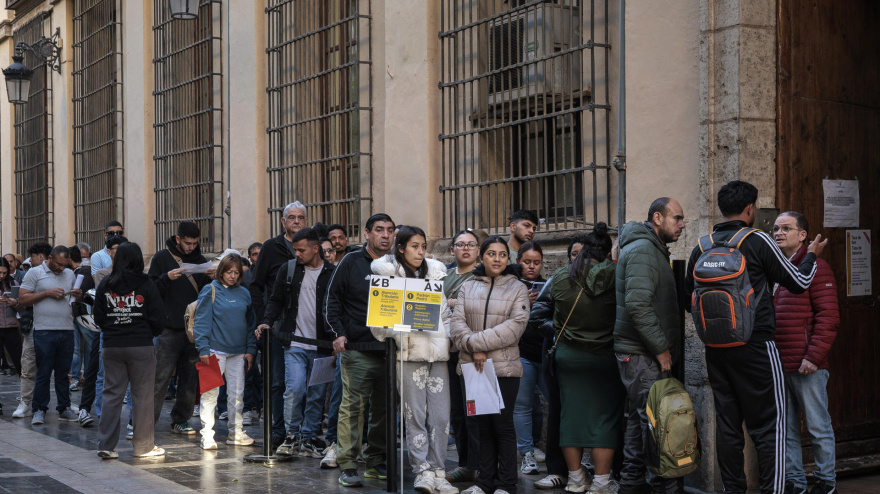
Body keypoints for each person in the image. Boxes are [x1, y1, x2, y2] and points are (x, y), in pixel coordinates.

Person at [685, 181, 825, 494]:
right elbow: (799, 282)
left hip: (716, 350)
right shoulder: (757, 240)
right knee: (769, 427)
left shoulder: (702, 246)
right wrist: (811, 255)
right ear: (750, 209)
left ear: (722, 208)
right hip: (757, 347)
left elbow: (688, 300)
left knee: (728, 425)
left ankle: (733, 490)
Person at [369, 226, 458, 494]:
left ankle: (439, 470)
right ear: (400, 248)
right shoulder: (386, 276)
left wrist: (450, 337)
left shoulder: (434, 274)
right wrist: (402, 330)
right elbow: (378, 326)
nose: (421, 252)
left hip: (438, 355)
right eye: (415, 246)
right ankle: (422, 471)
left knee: (441, 417)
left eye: (423, 247)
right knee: (414, 415)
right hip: (408, 355)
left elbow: (445, 314)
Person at [614, 197, 686, 494]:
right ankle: (661, 487)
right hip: (642, 353)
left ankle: (631, 482)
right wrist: (660, 348)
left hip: (638, 351)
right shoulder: (644, 249)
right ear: (658, 218)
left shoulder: (649, 248)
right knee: (656, 422)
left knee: (639, 418)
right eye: (677, 218)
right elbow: (637, 304)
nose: (682, 225)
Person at [450, 236, 530, 494]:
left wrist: (477, 345)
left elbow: (515, 327)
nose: (497, 259)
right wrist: (475, 348)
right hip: (473, 367)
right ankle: (484, 483)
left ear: (508, 259)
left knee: (502, 425)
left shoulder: (517, 288)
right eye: (492, 254)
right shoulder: (468, 286)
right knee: (480, 426)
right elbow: (456, 323)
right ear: (481, 256)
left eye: (502, 255)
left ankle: (506, 484)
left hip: (503, 367)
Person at [548, 223, 623, 493]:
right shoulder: (617, 275)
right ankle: (602, 482)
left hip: (569, 357)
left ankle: (577, 478)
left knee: (571, 416)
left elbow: (552, 314)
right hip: (604, 358)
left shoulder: (560, 276)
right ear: (606, 252)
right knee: (606, 418)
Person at [770, 212, 839, 494]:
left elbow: (828, 317)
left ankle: (825, 482)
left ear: (802, 236)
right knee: (786, 430)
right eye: (775, 228)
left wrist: (813, 356)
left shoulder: (817, 268)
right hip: (778, 364)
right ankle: (795, 482)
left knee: (818, 427)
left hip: (807, 364)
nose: (778, 233)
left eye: (786, 228)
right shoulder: (775, 269)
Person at [325, 213, 395, 487]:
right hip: (357, 352)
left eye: (390, 230)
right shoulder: (351, 262)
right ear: (367, 233)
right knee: (352, 409)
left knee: (384, 412)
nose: (386, 235)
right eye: (379, 230)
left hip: (392, 354)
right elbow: (332, 301)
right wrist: (339, 334)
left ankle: (376, 461)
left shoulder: (399, 264)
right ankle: (348, 464)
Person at [256, 227, 335, 457]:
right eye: (295, 250)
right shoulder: (288, 269)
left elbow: (338, 308)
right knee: (295, 389)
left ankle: (309, 436)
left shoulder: (333, 272)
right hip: (294, 344)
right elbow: (275, 301)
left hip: (323, 346)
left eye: (301, 250)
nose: (297, 254)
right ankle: (292, 436)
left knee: (317, 394)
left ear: (315, 248)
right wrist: (267, 321)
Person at [94, 242, 166, 458]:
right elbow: (158, 317)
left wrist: (113, 329)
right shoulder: (146, 284)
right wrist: (148, 332)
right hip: (141, 345)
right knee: (143, 396)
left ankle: (106, 446)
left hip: (112, 346)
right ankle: (143, 446)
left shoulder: (105, 283)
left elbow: (98, 317)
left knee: (112, 395)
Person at [250, 201, 308, 449]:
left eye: (301, 217)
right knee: (277, 380)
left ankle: (301, 431)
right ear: (283, 222)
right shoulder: (271, 248)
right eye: (291, 218)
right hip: (277, 325)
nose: (296, 221)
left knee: (303, 381)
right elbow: (256, 285)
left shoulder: (311, 247)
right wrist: (266, 319)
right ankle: (277, 430)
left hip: (306, 326)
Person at [148, 221, 214, 434]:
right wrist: (166, 278)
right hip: (169, 328)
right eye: (187, 243)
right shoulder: (161, 258)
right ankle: (145, 421)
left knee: (189, 378)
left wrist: (211, 278)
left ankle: (180, 419)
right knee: (160, 377)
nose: (191, 248)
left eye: (195, 243)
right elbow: (150, 290)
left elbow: (204, 294)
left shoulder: (200, 260)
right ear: (178, 239)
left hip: (193, 330)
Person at [194, 253, 257, 449]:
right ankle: (207, 434)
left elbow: (250, 324)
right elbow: (202, 321)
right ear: (221, 271)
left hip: (238, 352)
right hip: (214, 351)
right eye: (229, 272)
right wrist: (202, 348)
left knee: (237, 393)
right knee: (210, 393)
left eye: (236, 273)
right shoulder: (210, 290)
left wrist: (250, 349)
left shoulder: (244, 293)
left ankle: (236, 432)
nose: (232, 276)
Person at [18, 245, 83, 425]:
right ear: (50, 259)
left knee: (63, 373)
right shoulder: (34, 273)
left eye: (65, 264)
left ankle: (64, 408)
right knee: (44, 372)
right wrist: (46, 292)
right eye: (59, 264)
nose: (62, 268)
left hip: (67, 329)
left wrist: (78, 295)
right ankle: (39, 409)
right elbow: (23, 299)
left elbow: (73, 299)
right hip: (44, 330)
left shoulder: (70, 274)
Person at [444, 229, 481, 484]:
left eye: (471, 245)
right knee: (457, 411)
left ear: (478, 249)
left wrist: (456, 304)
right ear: (452, 250)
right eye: (460, 244)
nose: (466, 249)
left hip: (474, 349)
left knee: (476, 411)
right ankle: (465, 464)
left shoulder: (483, 276)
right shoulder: (442, 276)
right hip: (447, 350)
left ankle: (482, 465)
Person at [512, 241, 549, 476]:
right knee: (522, 405)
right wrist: (524, 302)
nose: (532, 267)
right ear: (518, 262)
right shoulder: (511, 286)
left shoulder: (547, 285)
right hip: (522, 353)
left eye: (536, 263)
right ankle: (526, 453)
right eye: (527, 262)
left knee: (553, 403)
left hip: (544, 352)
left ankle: (549, 448)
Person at [11, 242, 51, 419]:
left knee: (54, 367)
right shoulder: (31, 274)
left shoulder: (60, 274)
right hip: (33, 326)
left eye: (33, 256)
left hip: (52, 327)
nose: (30, 260)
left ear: (40, 257)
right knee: (28, 365)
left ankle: (58, 404)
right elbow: (24, 300)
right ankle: (26, 402)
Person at [67, 245, 99, 427]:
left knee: (79, 348)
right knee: (88, 349)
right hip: (86, 316)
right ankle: (83, 377)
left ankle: (77, 378)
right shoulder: (90, 271)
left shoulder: (79, 273)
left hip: (80, 315)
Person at [0, 258, 22, 378]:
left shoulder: (13, 283)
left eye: (4, 273)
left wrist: (15, 303)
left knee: (20, 362)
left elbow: (23, 307)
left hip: (11, 326)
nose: (2, 276)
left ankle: (26, 395)